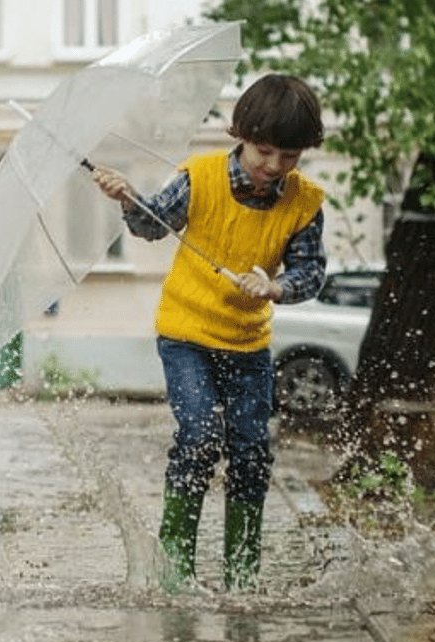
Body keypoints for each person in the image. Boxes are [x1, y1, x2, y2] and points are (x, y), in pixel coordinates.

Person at [91, 73, 327, 591]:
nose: (274, 166)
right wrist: (128, 198)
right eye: (265, 151)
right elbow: (151, 225)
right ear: (239, 134)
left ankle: (242, 578)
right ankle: (176, 575)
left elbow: (312, 272)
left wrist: (277, 287)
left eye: (290, 156)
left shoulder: (305, 202)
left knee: (250, 451)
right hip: (187, 336)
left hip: (248, 344)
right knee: (199, 437)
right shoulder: (199, 178)